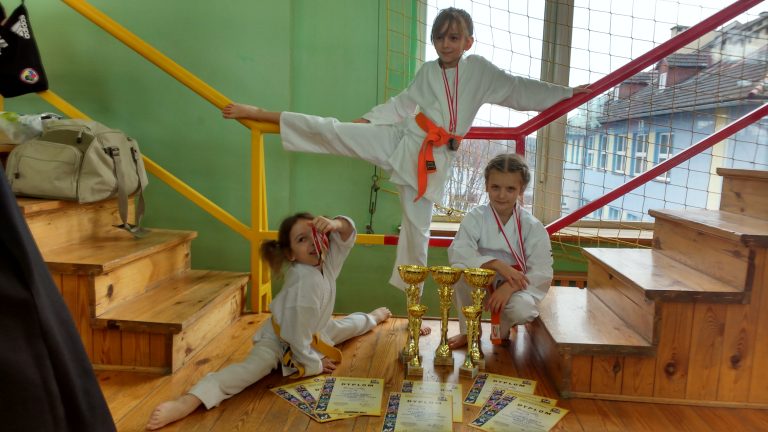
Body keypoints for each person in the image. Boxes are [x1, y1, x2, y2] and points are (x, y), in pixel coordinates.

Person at [221, 7, 588, 296]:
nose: (446, 44)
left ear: (468, 42)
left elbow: (519, 89)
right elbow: (402, 104)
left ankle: (411, 303)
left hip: (432, 160)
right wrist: (367, 122)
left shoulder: (481, 72)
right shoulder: (427, 72)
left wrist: (569, 95)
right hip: (404, 137)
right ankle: (263, 114)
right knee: (334, 130)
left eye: (454, 37)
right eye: (440, 37)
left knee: (417, 230)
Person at [146, 213, 391, 430]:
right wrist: (314, 363)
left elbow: (347, 235)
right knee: (254, 369)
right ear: (290, 254)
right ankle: (190, 400)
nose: (311, 242)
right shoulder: (302, 283)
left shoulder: (326, 263)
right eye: (301, 239)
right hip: (279, 339)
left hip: (315, 331)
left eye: (315, 234)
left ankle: (373, 317)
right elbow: (295, 337)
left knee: (349, 326)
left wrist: (335, 223)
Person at [447, 154, 553, 348]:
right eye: (495, 187)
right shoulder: (475, 217)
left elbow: (541, 271)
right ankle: (469, 330)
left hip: (515, 287)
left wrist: (511, 285)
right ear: (486, 186)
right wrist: (495, 264)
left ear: (521, 190)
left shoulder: (533, 226)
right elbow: (459, 252)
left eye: (510, 189)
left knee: (522, 310)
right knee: (459, 272)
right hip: (480, 283)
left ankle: (503, 327)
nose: (501, 195)